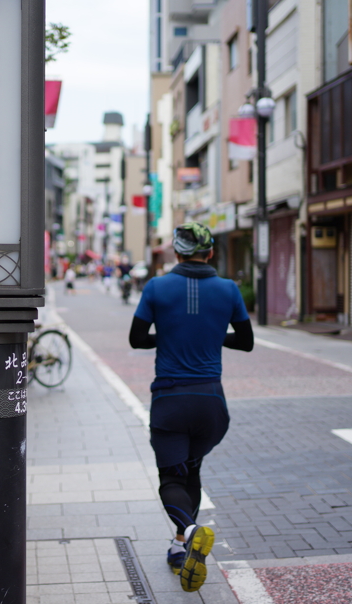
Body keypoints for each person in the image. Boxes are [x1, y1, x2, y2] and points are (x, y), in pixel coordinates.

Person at [128, 222, 253, 593]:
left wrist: (170, 333)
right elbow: (245, 342)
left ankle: (191, 531)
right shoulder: (229, 289)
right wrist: (211, 334)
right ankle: (180, 547)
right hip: (211, 403)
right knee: (192, 470)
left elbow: (137, 339)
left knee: (171, 478)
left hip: (170, 399)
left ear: (176, 252)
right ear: (210, 252)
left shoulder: (157, 287)